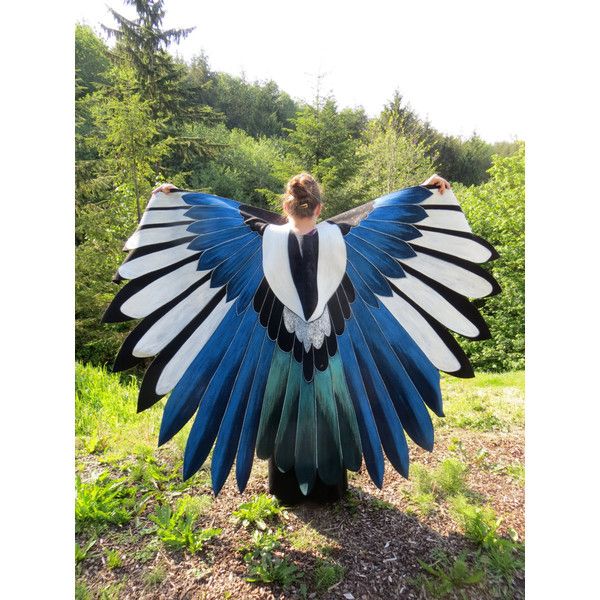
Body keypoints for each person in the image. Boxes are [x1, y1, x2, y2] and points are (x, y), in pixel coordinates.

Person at [149, 171, 452, 504]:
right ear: (319, 208)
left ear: (286, 205)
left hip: (277, 353)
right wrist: (424, 191)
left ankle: (286, 490)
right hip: (333, 355)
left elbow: (211, 214)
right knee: (336, 397)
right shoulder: (347, 238)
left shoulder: (259, 239)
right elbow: (389, 211)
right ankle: (330, 490)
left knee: (277, 400)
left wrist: (175, 198)